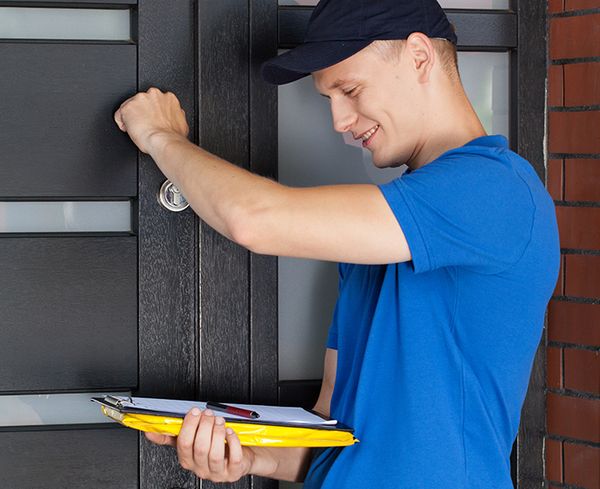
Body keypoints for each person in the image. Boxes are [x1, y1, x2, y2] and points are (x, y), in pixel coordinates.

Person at [113, 0, 560, 487]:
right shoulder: (378, 234)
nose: (339, 121)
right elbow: (334, 428)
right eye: (330, 100)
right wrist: (248, 456)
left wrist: (161, 136)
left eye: (349, 90)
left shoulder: (495, 189)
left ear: (417, 56)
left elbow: (255, 221)